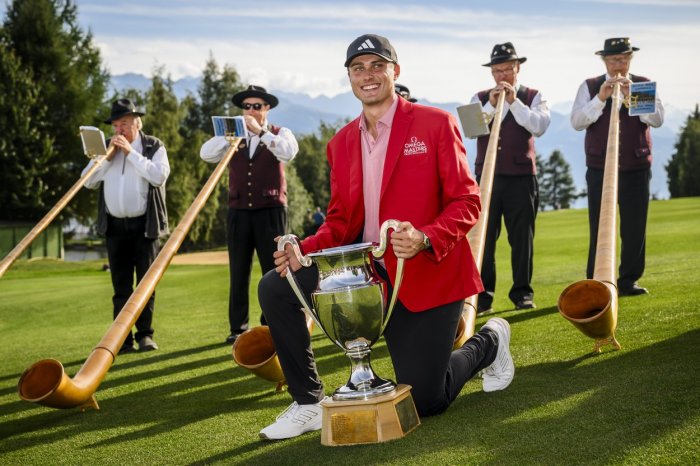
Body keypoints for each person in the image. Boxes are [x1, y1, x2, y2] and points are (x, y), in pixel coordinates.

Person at [256, 33, 515, 441]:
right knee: (276, 285)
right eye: (358, 68)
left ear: (396, 71)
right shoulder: (340, 142)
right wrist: (301, 250)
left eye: (377, 65)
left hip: (426, 272)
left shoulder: (435, 123)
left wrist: (426, 237)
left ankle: (489, 342)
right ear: (350, 78)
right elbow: (341, 220)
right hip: (368, 274)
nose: (368, 75)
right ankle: (308, 402)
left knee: (427, 400)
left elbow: (467, 202)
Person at [200, 85, 299, 344]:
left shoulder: (279, 133)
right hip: (239, 211)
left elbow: (288, 152)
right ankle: (238, 329)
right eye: (246, 107)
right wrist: (230, 135)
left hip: (271, 211)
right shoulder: (234, 137)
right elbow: (205, 153)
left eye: (257, 106)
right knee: (238, 270)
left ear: (267, 109)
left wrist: (262, 133)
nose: (251, 111)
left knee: (274, 269)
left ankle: (272, 325)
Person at [570, 38, 664, 296]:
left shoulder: (642, 83)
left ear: (630, 59)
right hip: (600, 166)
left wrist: (631, 95)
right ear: (604, 61)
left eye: (624, 59)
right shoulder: (589, 86)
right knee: (599, 225)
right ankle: (597, 279)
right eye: (613, 60)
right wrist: (601, 97)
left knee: (635, 226)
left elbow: (656, 119)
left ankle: (628, 280)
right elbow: (577, 122)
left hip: (636, 165)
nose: (619, 65)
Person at [82, 98, 170, 354]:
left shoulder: (153, 146)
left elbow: (159, 176)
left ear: (137, 123)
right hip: (115, 227)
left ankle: (145, 335)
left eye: (124, 124)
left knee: (145, 285)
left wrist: (131, 154)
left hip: (145, 226)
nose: (119, 130)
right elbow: (88, 181)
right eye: (115, 125)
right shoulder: (105, 151)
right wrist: (106, 157)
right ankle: (123, 339)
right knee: (121, 287)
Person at [469, 42, 550, 314]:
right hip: (486, 178)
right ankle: (483, 298)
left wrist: (514, 102)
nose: (502, 76)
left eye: (508, 69)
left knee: (522, 238)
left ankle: (522, 294)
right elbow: (470, 130)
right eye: (497, 70)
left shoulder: (533, 95)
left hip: (521, 177)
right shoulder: (478, 97)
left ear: (518, 69)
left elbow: (538, 126)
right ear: (491, 72)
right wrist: (491, 107)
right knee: (484, 238)